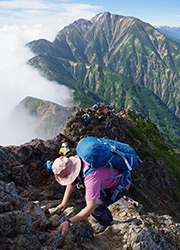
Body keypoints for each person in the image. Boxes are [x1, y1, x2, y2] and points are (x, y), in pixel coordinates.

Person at [52, 155, 130, 236]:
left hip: (119, 187)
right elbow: (72, 181)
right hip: (110, 180)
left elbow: (90, 208)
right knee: (93, 201)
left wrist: (69, 222)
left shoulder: (91, 178)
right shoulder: (76, 160)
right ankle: (105, 216)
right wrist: (64, 202)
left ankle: (106, 224)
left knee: (96, 208)